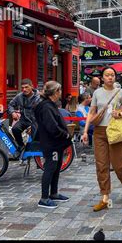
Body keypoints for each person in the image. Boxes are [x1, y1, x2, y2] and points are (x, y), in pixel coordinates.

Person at [82, 66, 122, 212]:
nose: (110, 77)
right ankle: (105, 197)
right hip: (99, 132)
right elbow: (92, 112)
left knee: (119, 165)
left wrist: (120, 114)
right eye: (107, 75)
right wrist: (85, 131)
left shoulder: (120, 92)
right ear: (102, 78)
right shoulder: (97, 93)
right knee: (101, 165)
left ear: (115, 77)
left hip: (115, 131)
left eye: (112, 75)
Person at [34, 81, 72, 209]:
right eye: (59, 91)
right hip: (52, 143)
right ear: (55, 92)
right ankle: (44, 198)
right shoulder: (46, 107)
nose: (60, 93)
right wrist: (64, 134)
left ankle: (54, 193)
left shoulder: (50, 105)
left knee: (56, 167)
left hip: (56, 143)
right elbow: (52, 126)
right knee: (50, 168)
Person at [8, 78, 41, 153]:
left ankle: (37, 152)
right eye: (22, 88)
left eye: (26, 87)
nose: (24, 89)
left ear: (32, 86)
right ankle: (21, 146)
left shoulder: (39, 97)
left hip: (36, 120)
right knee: (15, 129)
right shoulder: (19, 96)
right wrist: (13, 112)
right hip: (24, 120)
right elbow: (10, 104)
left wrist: (32, 126)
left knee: (35, 135)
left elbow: (41, 113)